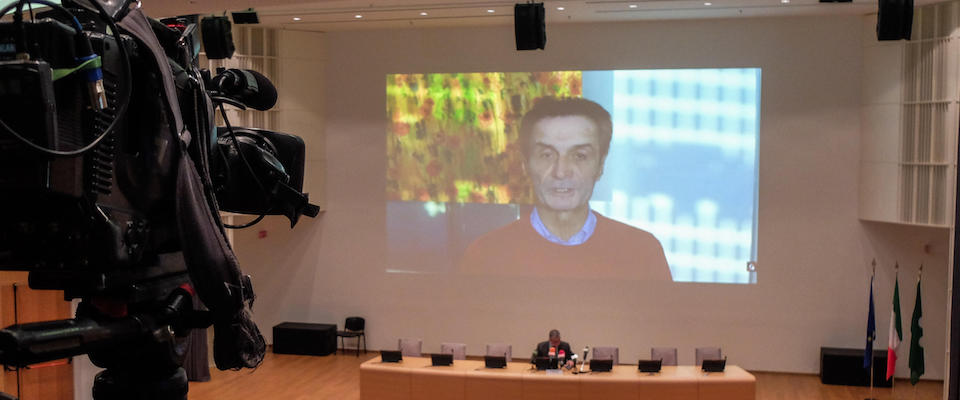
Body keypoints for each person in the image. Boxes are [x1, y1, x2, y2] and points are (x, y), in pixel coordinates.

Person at [458, 97, 671, 280]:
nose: (561, 172)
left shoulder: (642, 252)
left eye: (580, 156)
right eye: (546, 155)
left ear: (600, 165)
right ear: (525, 164)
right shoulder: (486, 255)